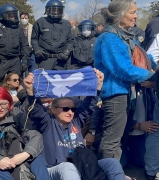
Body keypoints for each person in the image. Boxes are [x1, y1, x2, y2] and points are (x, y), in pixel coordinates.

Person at [24, 71, 127, 180]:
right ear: (53, 110)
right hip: (57, 168)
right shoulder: (47, 123)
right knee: (68, 167)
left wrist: (98, 85)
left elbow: (89, 106)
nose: (70, 112)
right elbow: (36, 110)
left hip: (82, 164)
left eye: (73, 109)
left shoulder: (76, 121)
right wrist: (30, 90)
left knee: (112, 162)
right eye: (65, 109)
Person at [94, 0, 155, 160]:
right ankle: (106, 174)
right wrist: (152, 77)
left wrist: (154, 66)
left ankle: (116, 173)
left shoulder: (127, 37)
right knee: (111, 141)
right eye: (132, 12)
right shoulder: (110, 38)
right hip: (115, 95)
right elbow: (123, 69)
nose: (136, 16)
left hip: (126, 93)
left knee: (119, 139)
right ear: (120, 15)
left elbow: (144, 57)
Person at [0, 86, 51, 180]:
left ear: (9, 104)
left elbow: (35, 136)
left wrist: (25, 154)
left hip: (16, 156)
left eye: (4, 104)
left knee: (37, 158)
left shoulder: (17, 115)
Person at [31, 0, 73, 70]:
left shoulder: (66, 24)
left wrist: (67, 52)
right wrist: (37, 50)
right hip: (45, 60)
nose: (56, 12)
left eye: (58, 10)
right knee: (45, 80)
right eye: (53, 10)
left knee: (60, 80)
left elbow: (71, 41)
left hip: (61, 60)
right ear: (47, 10)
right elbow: (34, 39)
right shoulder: (40, 22)